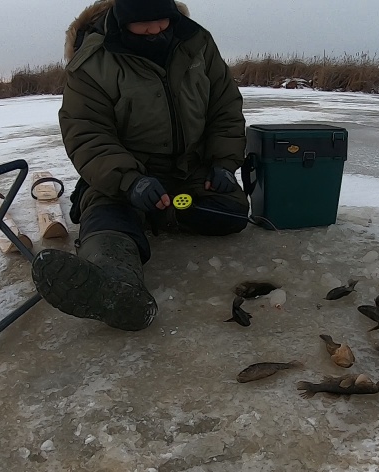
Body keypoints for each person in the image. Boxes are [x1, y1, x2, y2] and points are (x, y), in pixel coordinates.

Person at [31, 0, 249, 331]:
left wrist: (222, 162)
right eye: (144, 24)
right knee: (105, 210)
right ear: (123, 20)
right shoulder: (92, 63)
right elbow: (87, 134)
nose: (156, 30)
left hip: (188, 174)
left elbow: (225, 105)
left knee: (231, 211)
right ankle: (114, 282)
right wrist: (131, 181)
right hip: (128, 174)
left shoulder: (197, 42)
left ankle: (162, 212)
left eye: (163, 20)